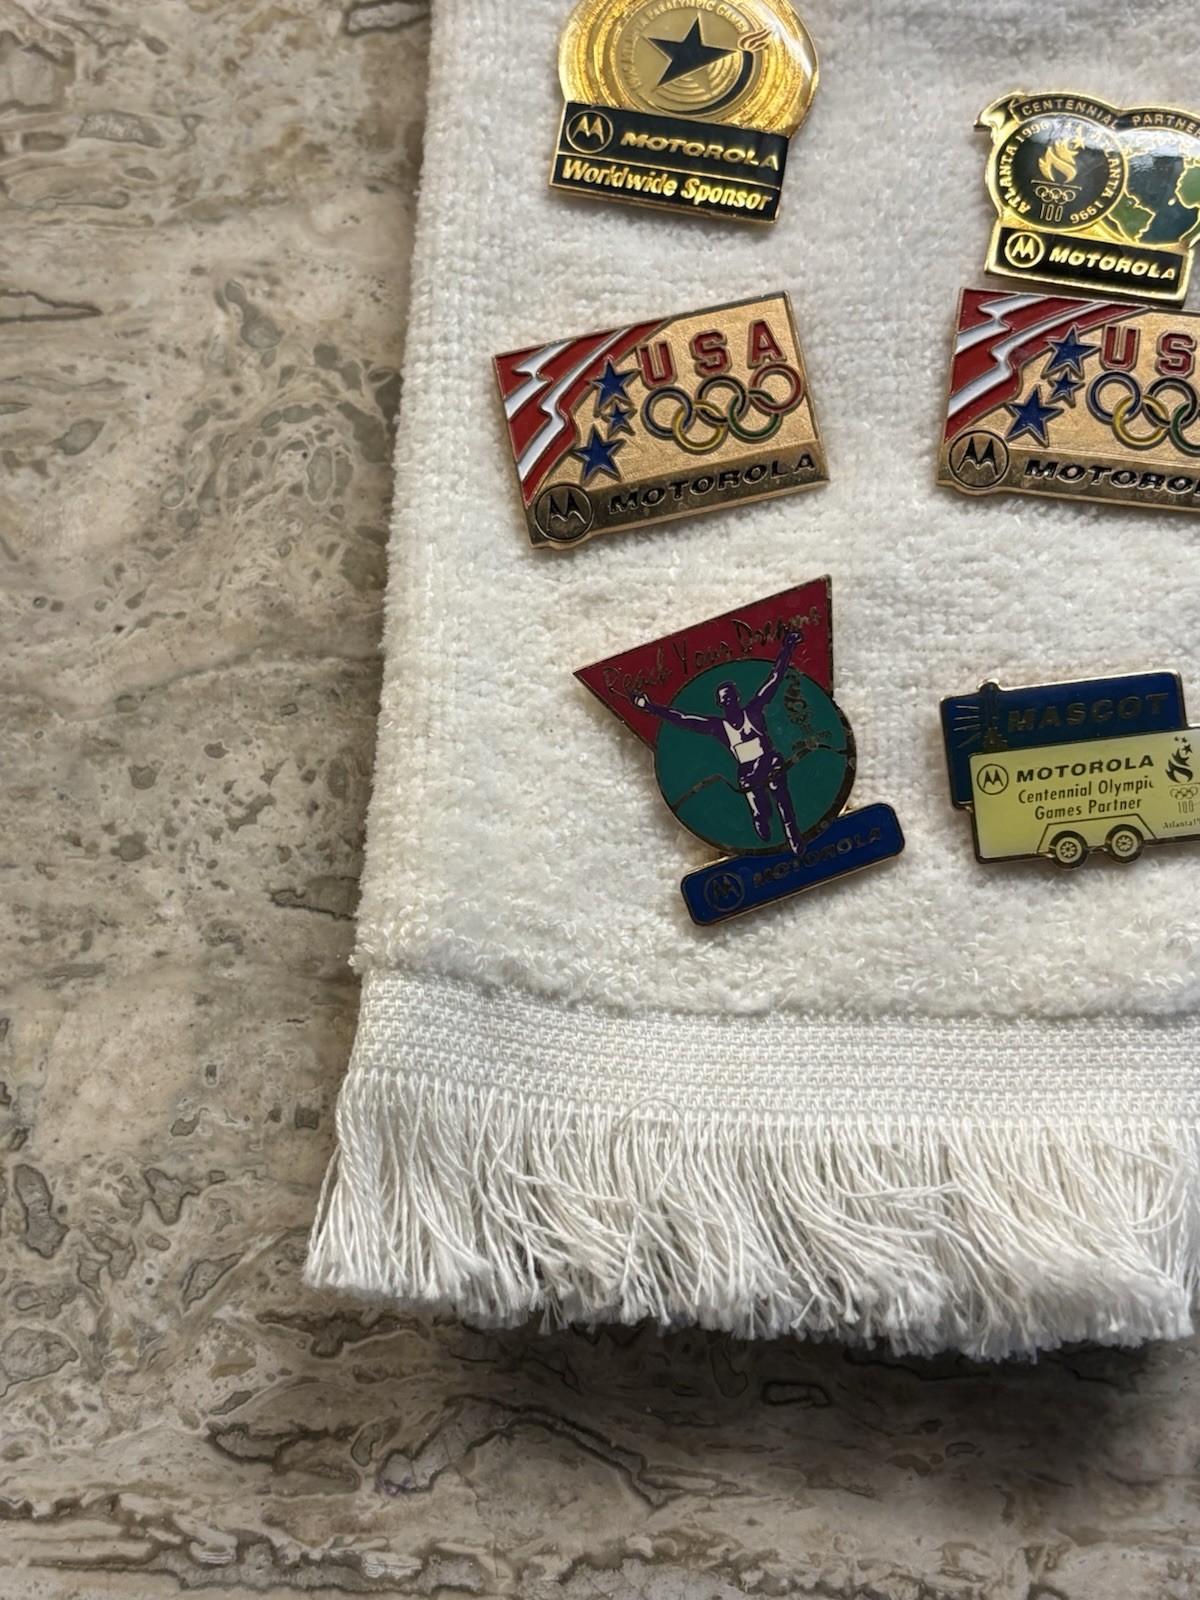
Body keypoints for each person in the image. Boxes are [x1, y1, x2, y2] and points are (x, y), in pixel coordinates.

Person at [632, 628, 805, 853]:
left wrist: (788, 646)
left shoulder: (753, 712)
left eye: (731, 698)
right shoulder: (719, 727)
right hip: (748, 774)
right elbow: (683, 719)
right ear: (720, 704)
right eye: (725, 701)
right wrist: (649, 707)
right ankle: (761, 821)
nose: (729, 703)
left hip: (769, 763)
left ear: (737, 698)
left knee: (784, 804)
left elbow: (775, 678)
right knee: (761, 814)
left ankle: (795, 840)